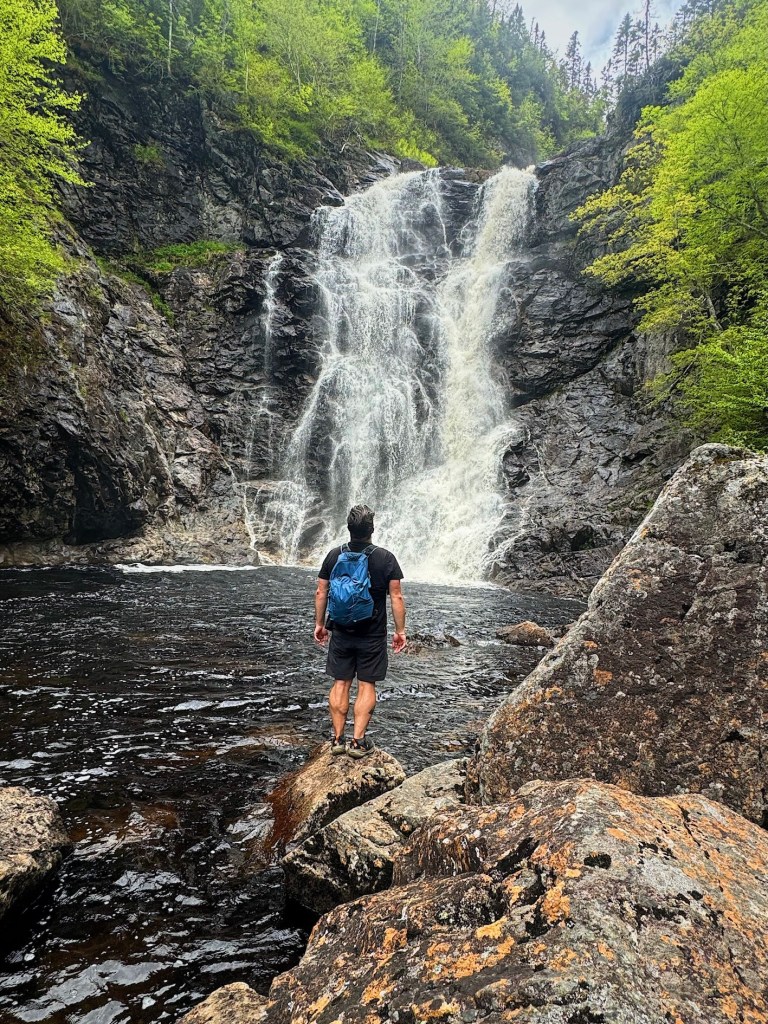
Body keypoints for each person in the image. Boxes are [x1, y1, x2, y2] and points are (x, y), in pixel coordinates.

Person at [314, 504, 406, 758]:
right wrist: (400, 631)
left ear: (349, 529)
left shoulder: (334, 555)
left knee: (340, 682)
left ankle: (337, 740)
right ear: (372, 530)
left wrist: (320, 624)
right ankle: (358, 742)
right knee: (367, 685)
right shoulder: (385, 558)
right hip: (372, 632)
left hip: (341, 630)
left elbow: (321, 591)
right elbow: (396, 597)